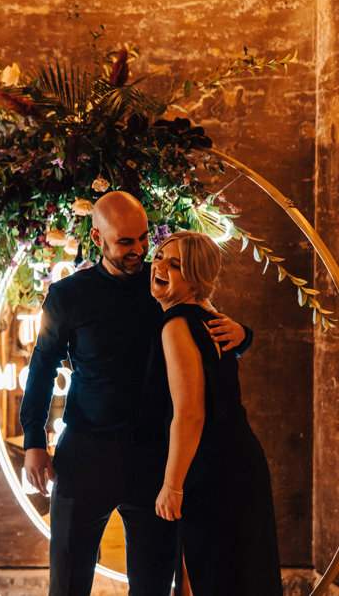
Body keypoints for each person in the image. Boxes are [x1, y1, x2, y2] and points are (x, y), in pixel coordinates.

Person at [20, 191, 249, 596]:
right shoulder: (67, 296)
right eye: (126, 241)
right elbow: (41, 369)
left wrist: (244, 336)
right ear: (97, 238)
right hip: (85, 455)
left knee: (154, 585)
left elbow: (206, 328)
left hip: (153, 459)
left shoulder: (164, 285)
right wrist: (35, 442)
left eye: (144, 239)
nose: (140, 250)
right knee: (68, 581)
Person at [147, 231, 281, 595]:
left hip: (210, 469)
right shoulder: (210, 317)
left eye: (176, 264)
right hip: (238, 462)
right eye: (160, 256)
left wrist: (172, 486)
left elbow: (190, 413)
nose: (159, 266)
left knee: (206, 579)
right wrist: (245, 335)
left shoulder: (176, 323)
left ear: (196, 278)